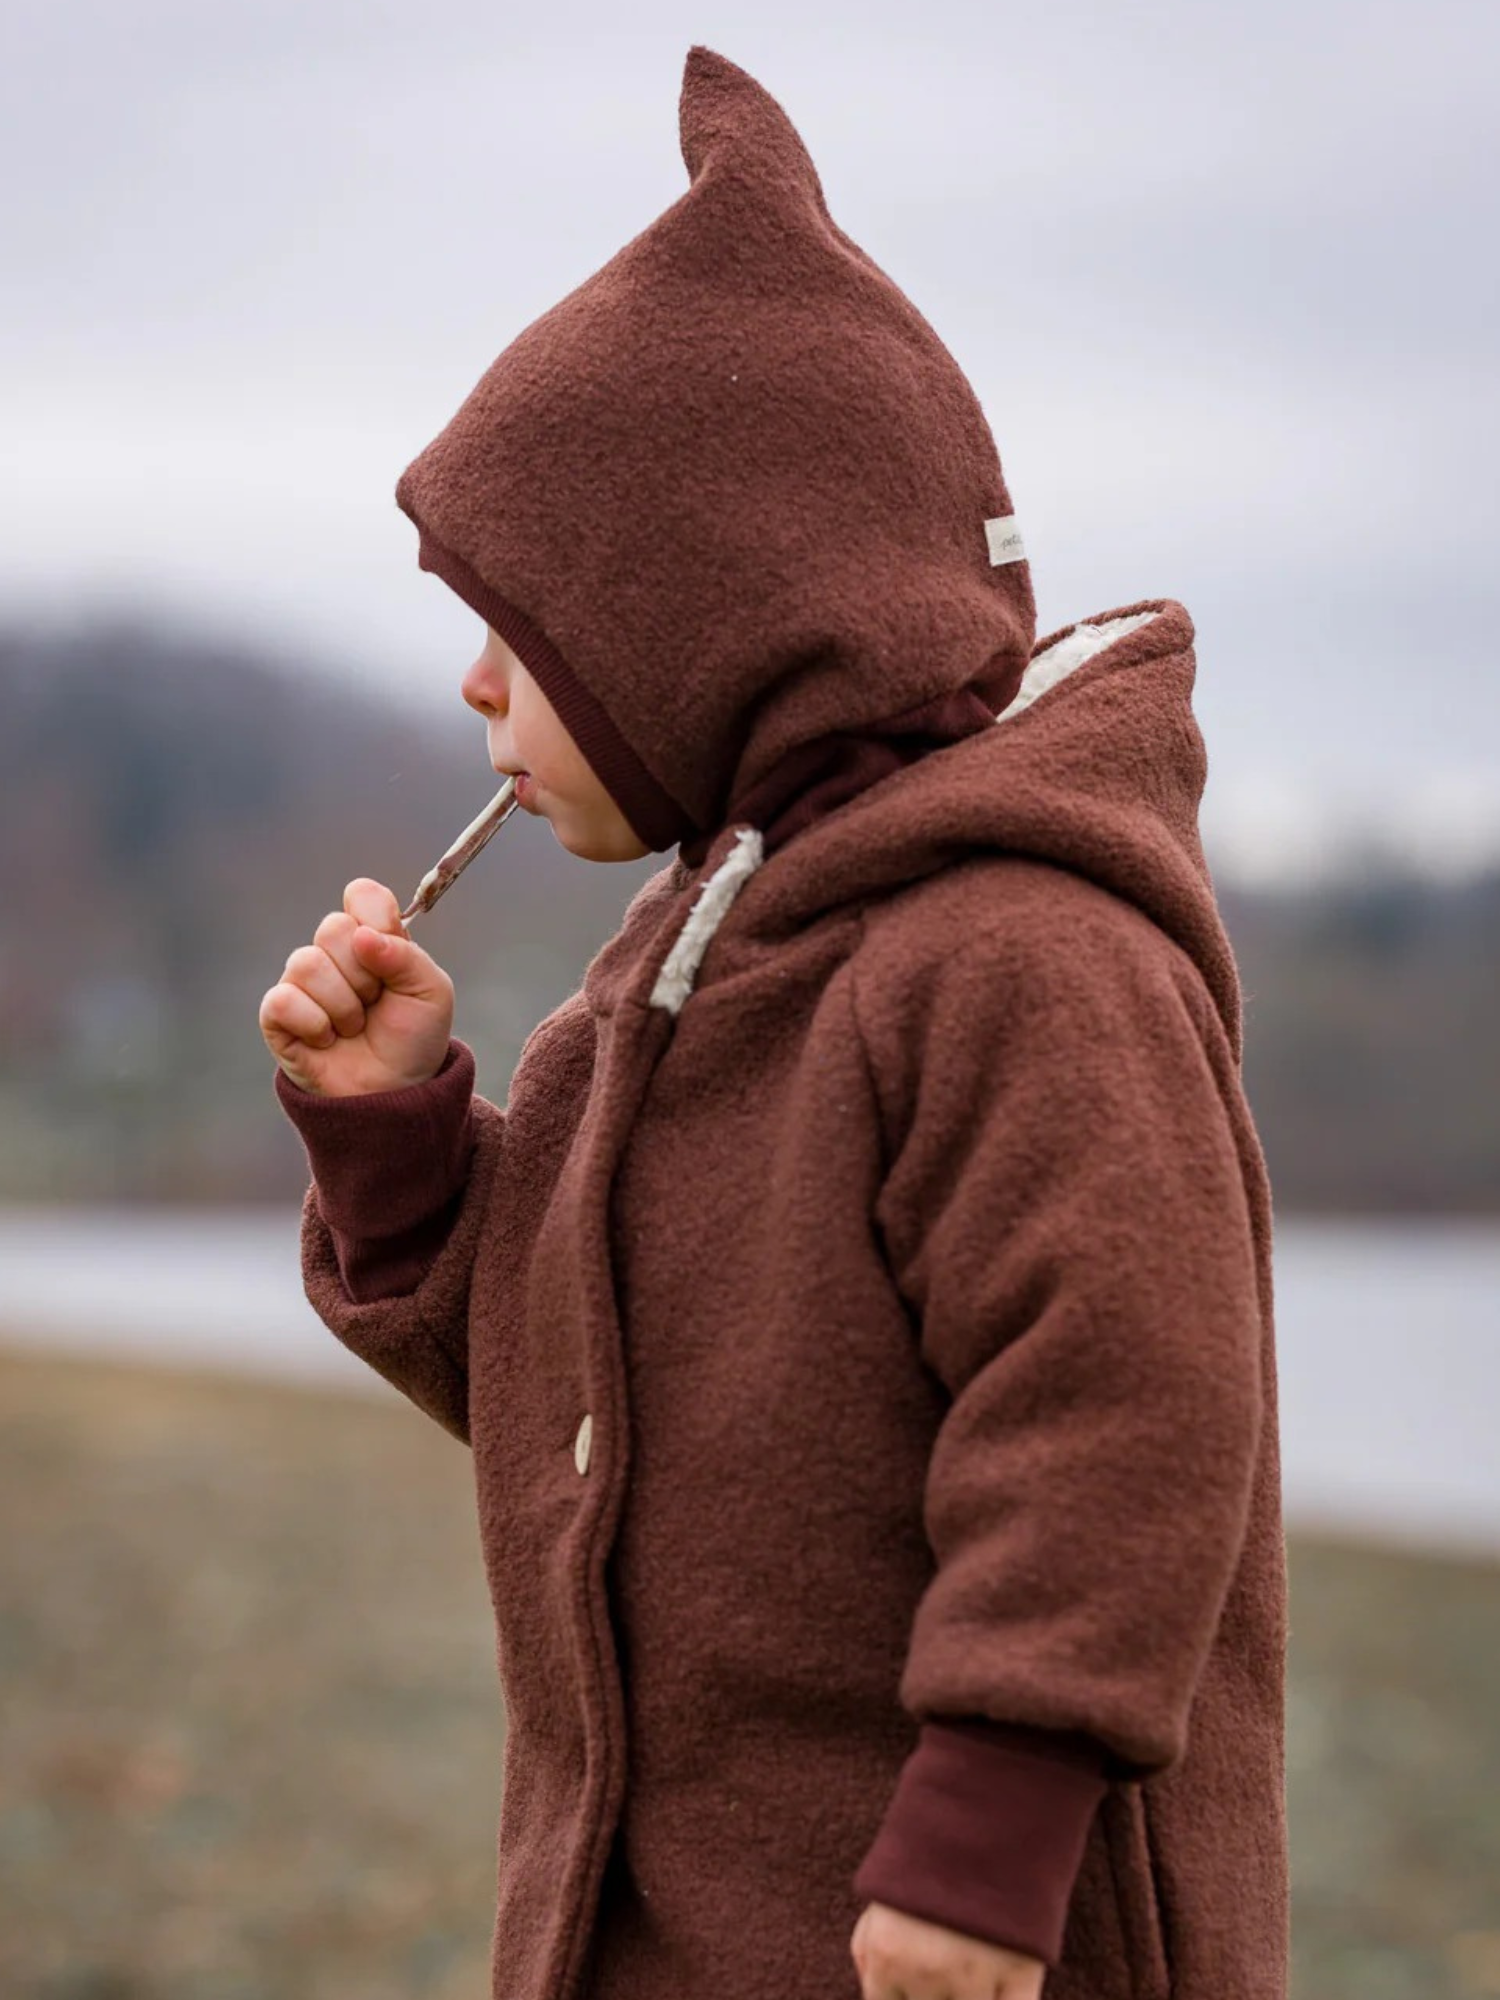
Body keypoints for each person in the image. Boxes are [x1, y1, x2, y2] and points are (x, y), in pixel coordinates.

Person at [260, 45, 1288, 2000]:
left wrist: (992, 1831)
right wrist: (400, 1143)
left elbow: (1128, 1396)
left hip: (967, 1945)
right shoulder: (675, 973)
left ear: (714, 611)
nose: (480, 687)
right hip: (676, 1934)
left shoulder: (1017, 953)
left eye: (526, 626)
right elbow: (598, 1405)